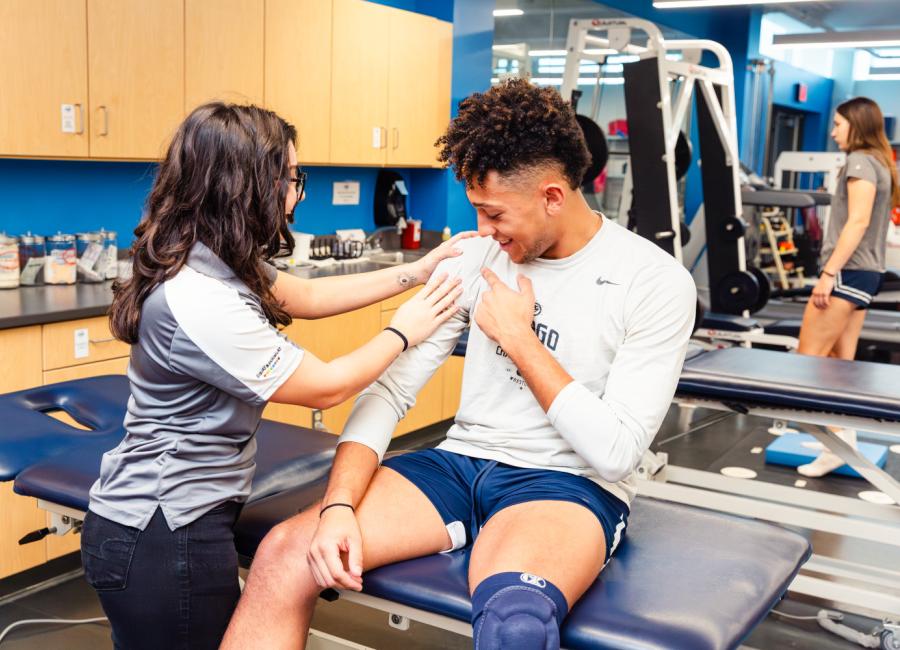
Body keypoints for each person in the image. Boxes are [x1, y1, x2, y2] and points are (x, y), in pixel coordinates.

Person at [222, 79, 696, 649]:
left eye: (494, 214)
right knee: (285, 552)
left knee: (515, 625)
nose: (484, 231)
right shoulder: (475, 256)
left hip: (566, 483)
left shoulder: (655, 281)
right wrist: (338, 506)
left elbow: (616, 454)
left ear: (552, 196)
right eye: (477, 211)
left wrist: (519, 340)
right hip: (456, 464)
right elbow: (389, 393)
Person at [80, 102, 472, 650]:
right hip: (163, 531)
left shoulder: (213, 256)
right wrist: (405, 331)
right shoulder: (200, 299)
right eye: (290, 178)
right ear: (244, 186)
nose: (296, 193)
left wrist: (416, 272)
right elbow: (328, 386)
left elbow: (307, 296)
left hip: (168, 520)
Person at [796, 97, 900, 478]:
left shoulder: (859, 162)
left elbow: (857, 222)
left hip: (848, 272)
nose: (832, 131)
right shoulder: (879, 162)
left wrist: (828, 274)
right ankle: (841, 441)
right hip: (866, 273)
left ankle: (835, 443)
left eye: (838, 124)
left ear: (856, 125)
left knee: (808, 361)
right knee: (839, 365)